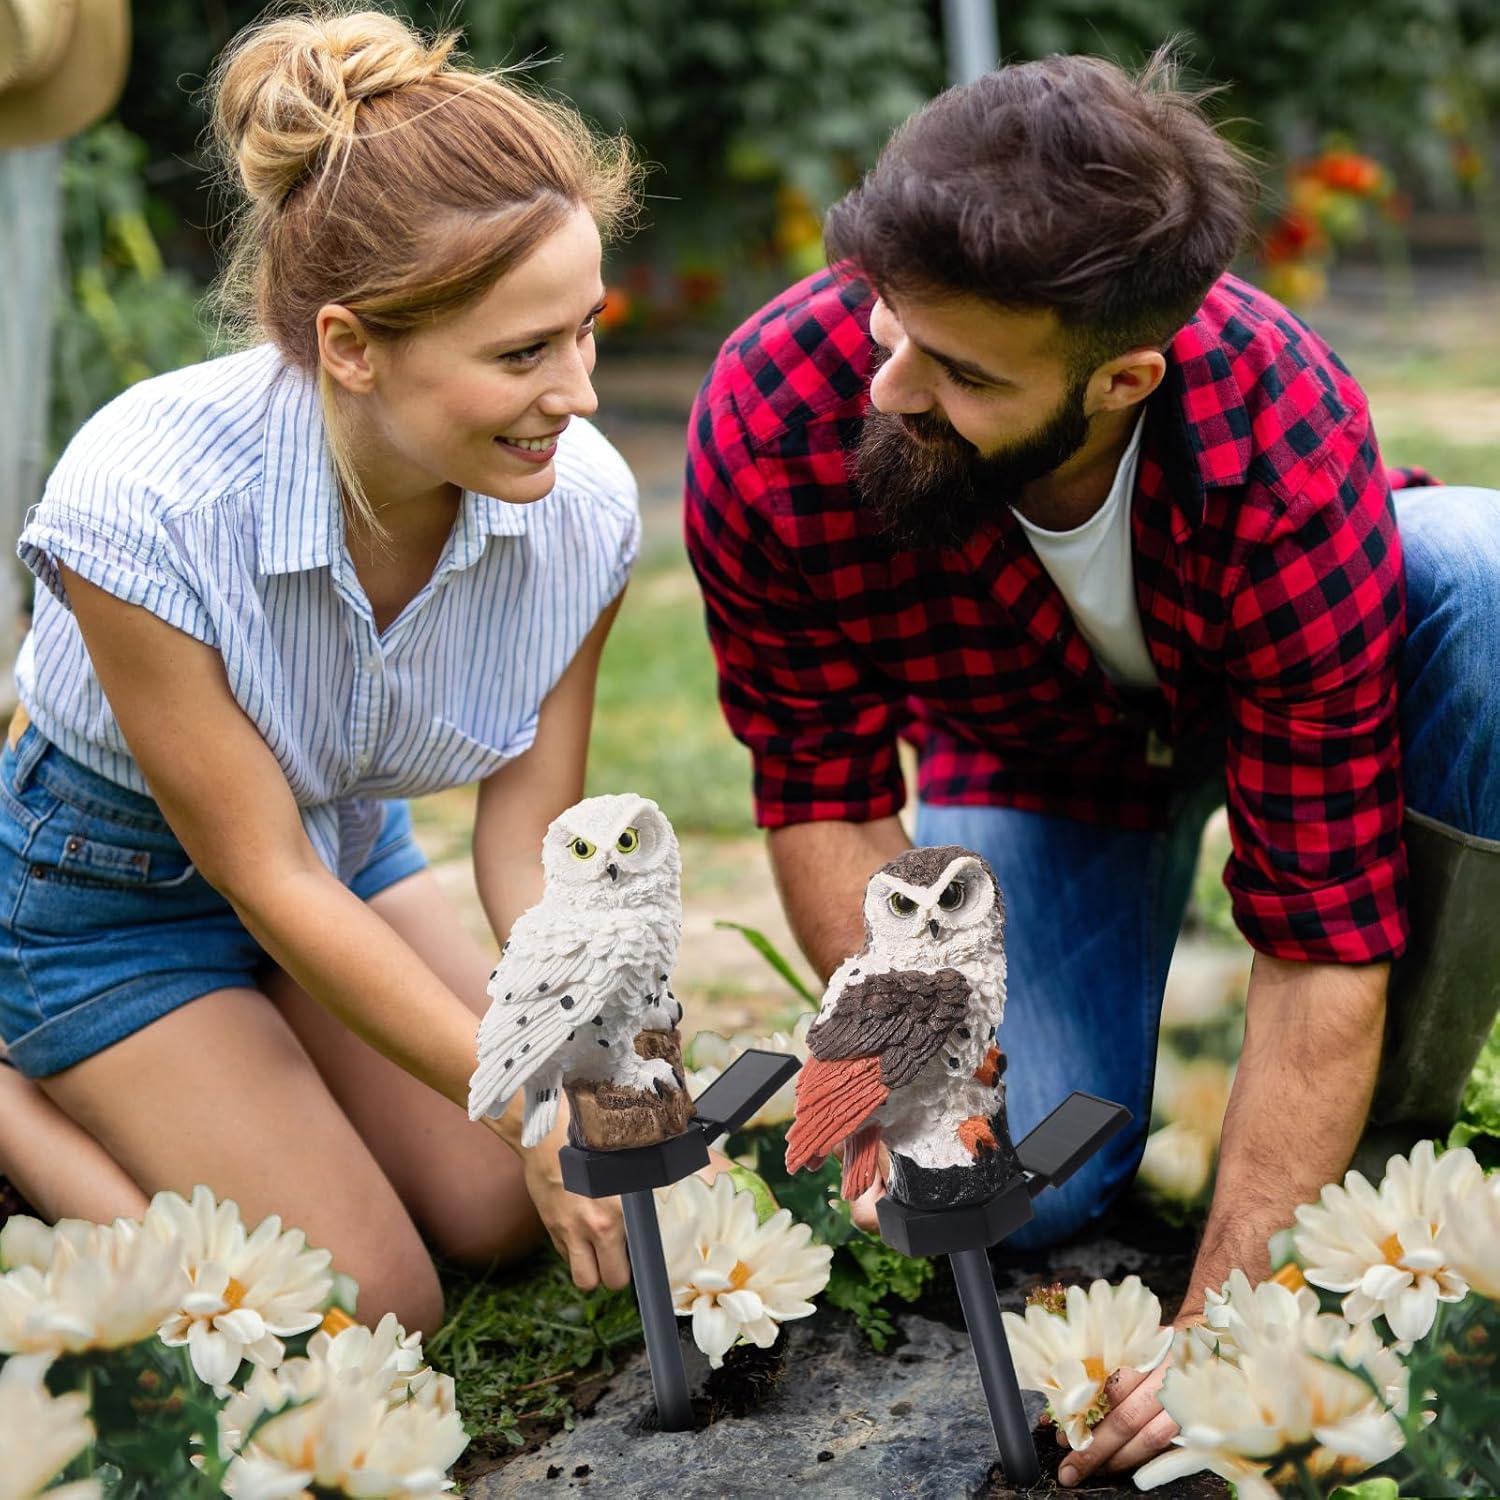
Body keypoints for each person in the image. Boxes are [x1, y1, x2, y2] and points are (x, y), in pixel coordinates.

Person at [684, 48, 1500, 1483]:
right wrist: (902, 1083)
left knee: (1484, 577)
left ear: (1124, 377)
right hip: (1041, 757)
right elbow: (822, 785)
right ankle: (1179, 1087)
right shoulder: (775, 413)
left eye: (961, 372)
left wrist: (1230, 1322)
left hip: (1301, 701)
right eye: (890, 323)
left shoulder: (1279, 437)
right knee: (1018, 1196)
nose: (888, 385)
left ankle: (1379, 1150)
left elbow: (1321, 935)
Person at [0, 7, 663, 1336]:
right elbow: (267, 878)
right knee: (360, 1306)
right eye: (524, 353)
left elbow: (527, 840)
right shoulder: (148, 498)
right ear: (353, 347)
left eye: (585, 330)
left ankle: (254, 1066)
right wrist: (525, 1094)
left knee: (493, 1211)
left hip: (346, 855)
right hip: (106, 900)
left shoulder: (579, 506)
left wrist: (587, 1045)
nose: (581, 393)